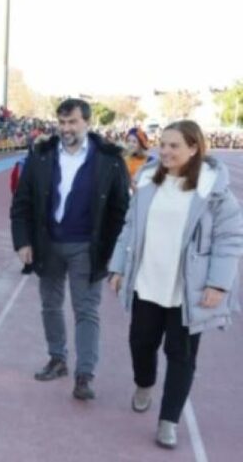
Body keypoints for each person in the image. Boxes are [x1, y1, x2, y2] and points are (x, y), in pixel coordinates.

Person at [108, 121, 243, 449]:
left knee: (180, 355)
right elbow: (129, 227)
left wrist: (218, 284)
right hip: (147, 281)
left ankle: (168, 419)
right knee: (141, 343)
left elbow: (229, 238)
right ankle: (144, 383)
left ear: (194, 148)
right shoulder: (147, 181)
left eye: (174, 146)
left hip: (188, 289)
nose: (165, 151)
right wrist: (119, 267)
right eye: (163, 144)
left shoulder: (213, 190)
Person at [10, 98, 130, 400]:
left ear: (87, 123)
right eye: (61, 123)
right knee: (50, 304)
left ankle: (84, 374)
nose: (66, 129)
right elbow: (21, 203)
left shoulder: (110, 159)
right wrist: (23, 241)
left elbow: (120, 211)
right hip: (47, 243)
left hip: (87, 247)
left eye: (72, 122)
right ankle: (57, 358)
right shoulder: (41, 155)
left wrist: (115, 255)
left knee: (86, 310)